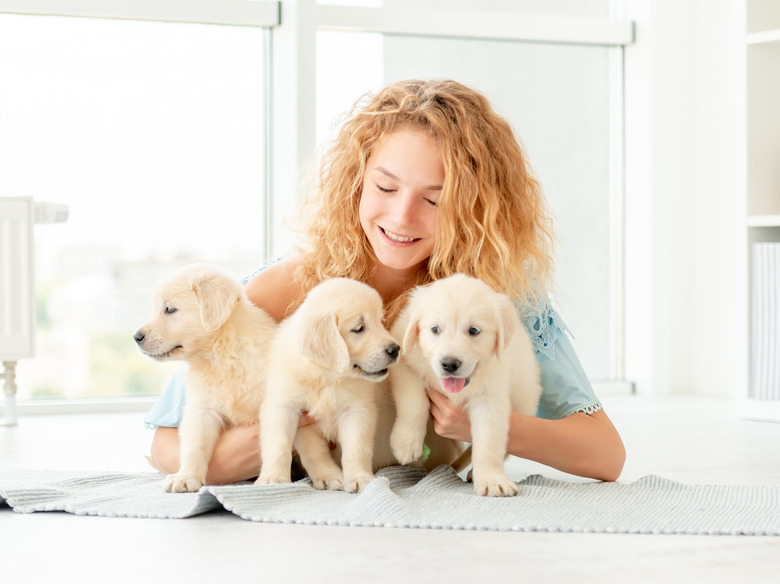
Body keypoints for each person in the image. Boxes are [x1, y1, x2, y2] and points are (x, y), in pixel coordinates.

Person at [145, 79, 626, 485]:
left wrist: (479, 424)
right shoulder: (286, 289)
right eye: (386, 187)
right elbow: (166, 440)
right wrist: (243, 453)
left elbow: (604, 453)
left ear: (475, 209)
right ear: (356, 181)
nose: (401, 216)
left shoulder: (491, 299)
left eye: (435, 199)